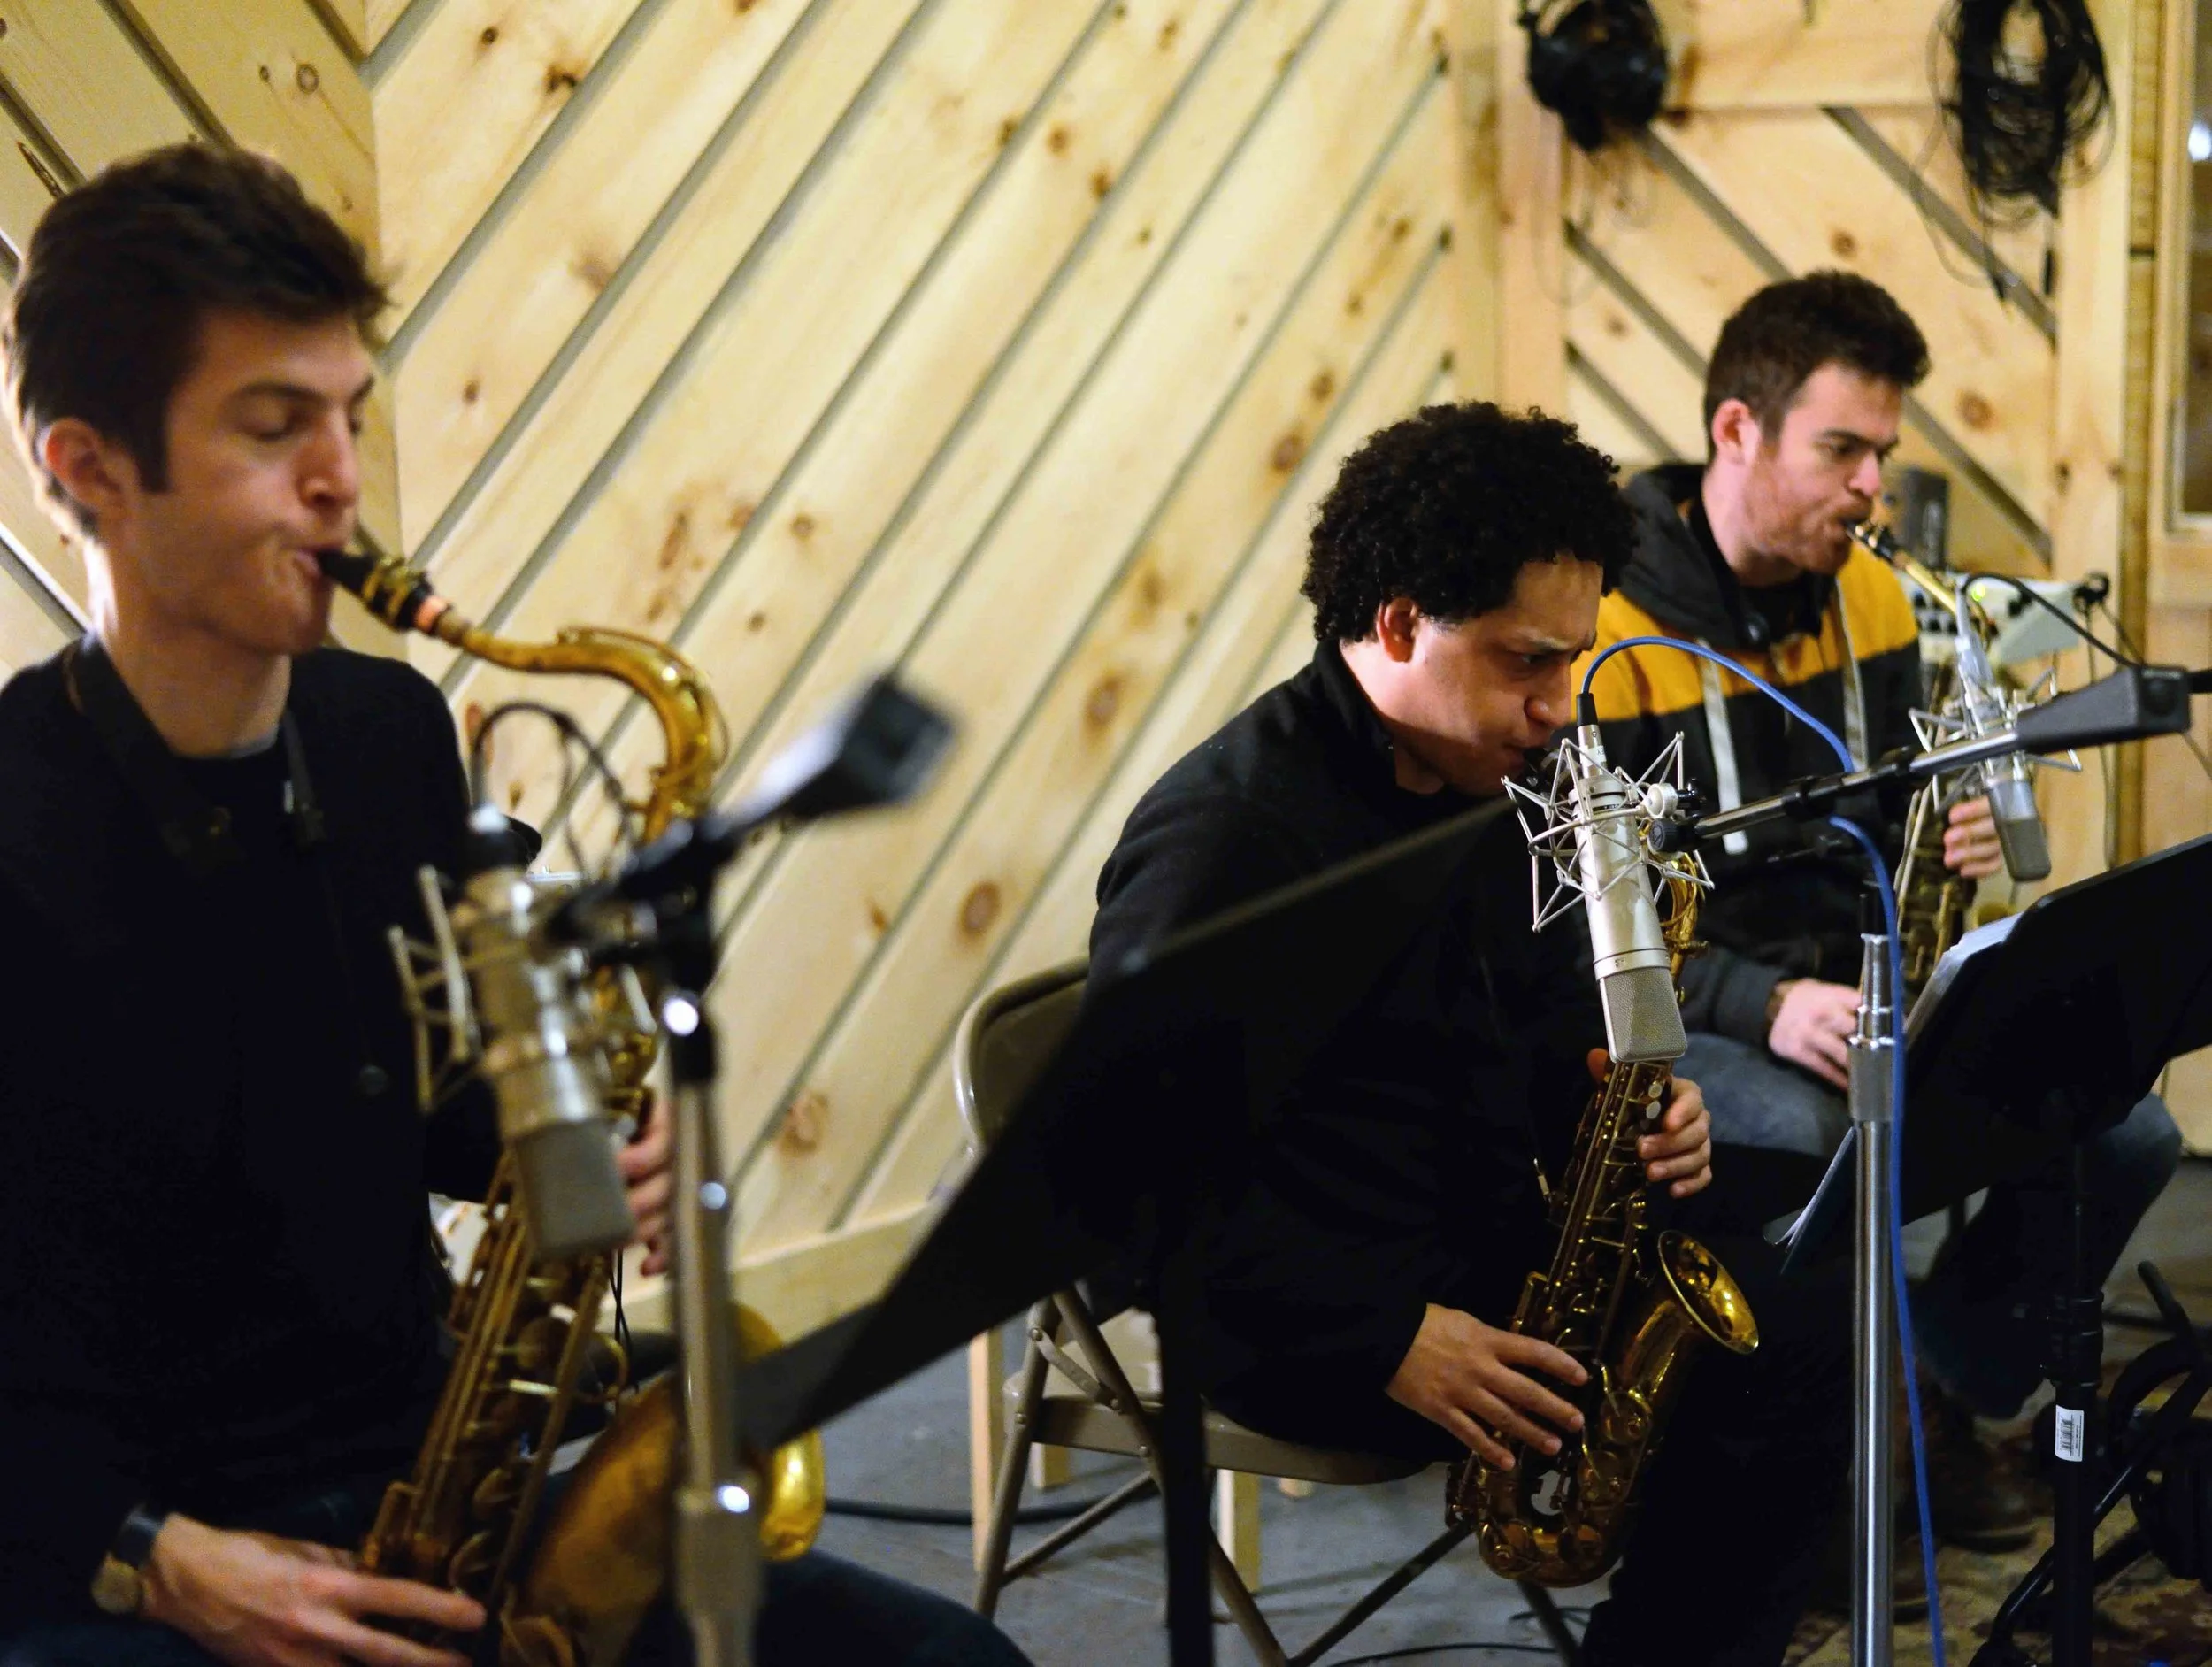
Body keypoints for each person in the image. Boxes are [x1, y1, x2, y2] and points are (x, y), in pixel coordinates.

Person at [0, 145, 1029, 1667]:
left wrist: (573, 1147)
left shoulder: (387, 734)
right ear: (86, 468)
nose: (342, 477)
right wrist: (160, 1563)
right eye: (274, 427)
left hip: (429, 1488)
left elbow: (412, 1102)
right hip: (135, 1553)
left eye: (348, 413)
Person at [1091, 402, 1852, 1667]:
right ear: (1396, 625)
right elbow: (1119, 1186)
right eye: (1527, 662)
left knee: (1813, 1285)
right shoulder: (1230, 841)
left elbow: (1544, 1020)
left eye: (1574, 660)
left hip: (1477, 1224)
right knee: (1774, 1378)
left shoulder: (1492, 775)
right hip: (1304, 1307)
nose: (1563, 707)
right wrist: (1381, 1334)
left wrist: (1626, 1109)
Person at [1580, 271, 2181, 1549]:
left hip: (1859, 990)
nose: (1874, 489)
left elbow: (1896, 824)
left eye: (1882, 455)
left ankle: (1948, 1383)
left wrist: (1944, 846)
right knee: (1829, 1140)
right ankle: (1800, 1469)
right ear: (1734, 432)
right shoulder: (1610, 630)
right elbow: (1593, 933)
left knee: (2126, 1131)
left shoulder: (1865, 595)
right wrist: (1768, 1001)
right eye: (1842, 451)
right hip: (1707, 1020)